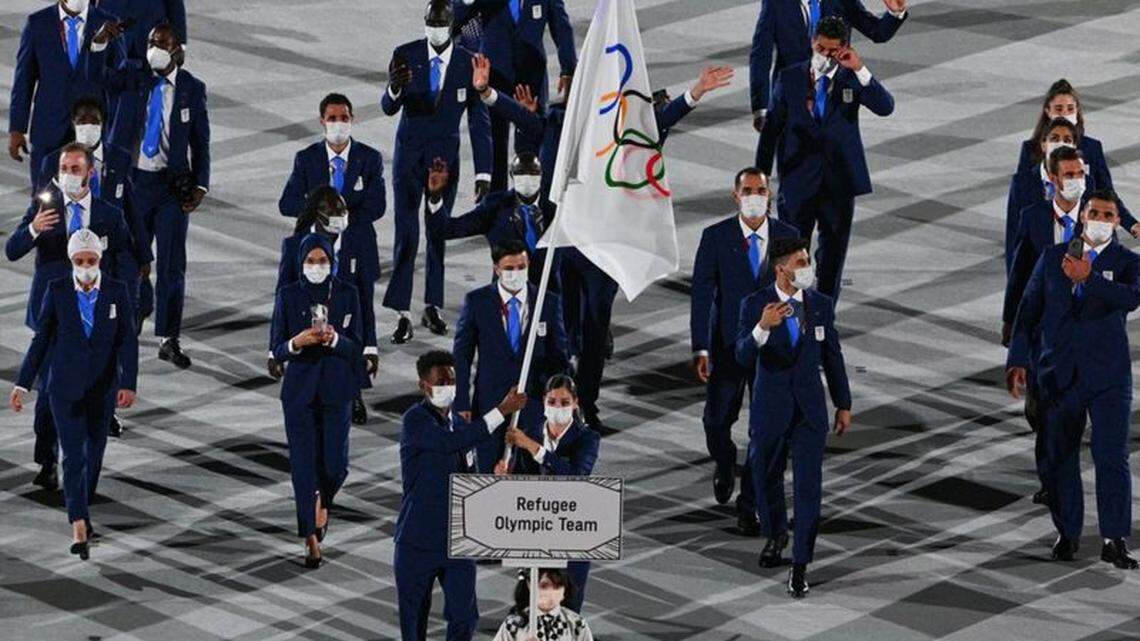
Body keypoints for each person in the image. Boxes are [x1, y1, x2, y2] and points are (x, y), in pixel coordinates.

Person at [474, 54, 734, 426]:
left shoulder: (623, 124)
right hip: (564, 242)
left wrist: (694, 93)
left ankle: (587, 404)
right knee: (565, 328)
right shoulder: (556, 121)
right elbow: (522, 118)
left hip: (605, 242)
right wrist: (486, 92)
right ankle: (559, 400)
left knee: (595, 326)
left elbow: (658, 121)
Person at [1007, 189, 1140, 570]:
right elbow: (1028, 310)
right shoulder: (1051, 259)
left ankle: (1114, 539)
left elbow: (1132, 299)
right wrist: (1017, 360)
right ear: (1082, 216)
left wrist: (1090, 278)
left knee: (1111, 457)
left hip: (1109, 377)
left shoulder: (1128, 262)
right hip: (1059, 375)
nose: (1099, 218)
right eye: (1094, 211)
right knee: (1061, 457)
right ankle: (1068, 534)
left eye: (1108, 214)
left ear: (1117, 222)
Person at [6, 143, 137, 487]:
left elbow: (123, 258)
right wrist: (33, 228)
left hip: (95, 314)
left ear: (90, 173)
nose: (68, 175)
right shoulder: (43, 206)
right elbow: (12, 249)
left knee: (94, 388)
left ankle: (83, 469)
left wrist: (124, 303)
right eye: (64, 168)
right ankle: (47, 459)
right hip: (55, 313)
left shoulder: (109, 214)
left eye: (76, 169)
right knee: (51, 391)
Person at [9, 229, 138, 561]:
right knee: (74, 457)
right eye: (79, 261)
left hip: (102, 389)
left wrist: (128, 383)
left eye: (91, 261)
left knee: (94, 454)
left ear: (99, 260)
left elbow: (127, 340)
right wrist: (23, 383)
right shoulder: (57, 291)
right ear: (70, 261)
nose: (85, 266)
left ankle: (84, 508)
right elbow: (41, 341)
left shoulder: (116, 291)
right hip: (63, 388)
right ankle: (78, 522)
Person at [735, 237, 852, 598]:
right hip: (771, 409)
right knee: (766, 474)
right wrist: (762, 328)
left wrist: (843, 402)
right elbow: (740, 356)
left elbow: (832, 354)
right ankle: (775, 535)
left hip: (809, 411)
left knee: (807, 486)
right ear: (781, 269)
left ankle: (801, 563)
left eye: (807, 261)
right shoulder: (755, 305)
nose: (807, 268)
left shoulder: (820, 305)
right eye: (800, 262)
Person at [690, 168, 800, 535]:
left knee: (765, 430)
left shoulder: (789, 236)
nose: (755, 196)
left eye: (761, 190)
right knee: (716, 421)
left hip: (773, 350)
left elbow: (800, 293)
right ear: (735, 196)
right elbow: (703, 295)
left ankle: (749, 503)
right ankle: (724, 462)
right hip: (728, 346)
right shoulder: (715, 237)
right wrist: (701, 346)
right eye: (747, 190)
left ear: (770, 195)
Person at [757, 16, 894, 301]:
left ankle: (822, 320)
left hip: (839, 186)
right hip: (797, 183)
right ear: (812, 42)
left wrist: (860, 68)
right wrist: (761, 180)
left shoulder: (852, 78)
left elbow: (885, 107)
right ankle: (789, 315)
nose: (825, 56)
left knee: (832, 261)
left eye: (832, 51)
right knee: (789, 255)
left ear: (843, 48)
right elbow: (770, 133)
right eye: (821, 48)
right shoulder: (789, 77)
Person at [394, 350, 527, 641]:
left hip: (458, 540)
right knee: (414, 622)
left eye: (452, 381)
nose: (448, 387)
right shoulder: (415, 421)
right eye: (441, 382)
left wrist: (492, 481)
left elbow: (468, 479)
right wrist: (501, 410)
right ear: (423, 386)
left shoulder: (465, 427)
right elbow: (446, 443)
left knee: (465, 618)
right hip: (418, 541)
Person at [381, 0, 493, 344]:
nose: (436, 26)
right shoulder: (405, 54)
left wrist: (484, 173)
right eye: (431, 20)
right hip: (408, 160)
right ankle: (401, 312)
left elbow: (478, 120)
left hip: (443, 164)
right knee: (407, 233)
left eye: (442, 21)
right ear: (425, 21)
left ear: (452, 23)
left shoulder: (467, 63)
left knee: (437, 232)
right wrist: (394, 88)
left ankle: (432, 304)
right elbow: (388, 107)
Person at [106, 23, 209, 369]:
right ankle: (129, 322)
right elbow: (102, 80)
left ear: (177, 49)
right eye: (151, 42)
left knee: (171, 266)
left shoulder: (192, 89)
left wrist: (200, 185)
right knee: (130, 260)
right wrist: (99, 45)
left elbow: (201, 143)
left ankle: (168, 337)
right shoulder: (135, 76)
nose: (154, 49)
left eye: (162, 43)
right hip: (134, 185)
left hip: (170, 188)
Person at [269, 233, 363, 568]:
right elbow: (277, 348)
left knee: (336, 466)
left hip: (337, 391)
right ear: (301, 262)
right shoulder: (288, 295)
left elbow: (358, 347)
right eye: (311, 261)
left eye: (322, 261)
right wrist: (298, 341)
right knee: (303, 467)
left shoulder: (348, 294)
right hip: (299, 395)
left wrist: (335, 339)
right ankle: (309, 537)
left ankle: (323, 498)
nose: (316, 266)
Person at [1003, 145, 1086, 505]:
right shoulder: (1033, 218)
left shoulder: (1096, 218)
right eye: (1068, 176)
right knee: (1040, 413)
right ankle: (1050, 476)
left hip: (1083, 337)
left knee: (1068, 417)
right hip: (1042, 334)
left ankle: (1059, 481)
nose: (1076, 182)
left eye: (1080, 175)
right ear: (1052, 180)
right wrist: (1012, 330)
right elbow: (1021, 279)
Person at [454, 240, 570, 472]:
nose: (515, 274)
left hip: (534, 406)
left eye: (521, 267)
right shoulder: (478, 302)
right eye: (509, 269)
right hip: (490, 404)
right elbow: (462, 355)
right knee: (488, 474)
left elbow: (559, 357)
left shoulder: (547, 302)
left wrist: (561, 400)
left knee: (530, 479)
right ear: (497, 269)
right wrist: (462, 401)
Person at [271, 186, 379, 425]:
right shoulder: (293, 245)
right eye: (334, 212)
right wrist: (274, 350)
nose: (341, 217)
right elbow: (281, 295)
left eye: (343, 210)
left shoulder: (357, 243)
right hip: (304, 314)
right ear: (318, 216)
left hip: (343, 309)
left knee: (346, 344)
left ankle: (353, 396)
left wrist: (370, 346)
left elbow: (365, 295)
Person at [278, 92, 386, 327]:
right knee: (315, 302)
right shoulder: (306, 159)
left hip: (358, 242)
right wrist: (320, 213)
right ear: (322, 121)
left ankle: (366, 350)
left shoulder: (369, 158)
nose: (339, 123)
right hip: (317, 247)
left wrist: (344, 219)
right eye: (332, 118)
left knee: (361, 303)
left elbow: (378, 205)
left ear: (352, 119)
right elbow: (286, 203)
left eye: (344, 118)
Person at [452, 0, 577, 191]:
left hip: (531, 76)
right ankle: (494, 208)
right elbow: (453, 22)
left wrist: (568, 68)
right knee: (495, 146)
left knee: (532, 145)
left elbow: (560, 24)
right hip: (493, 76)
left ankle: (533, 208)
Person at [501, 375, 599, 613]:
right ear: (544, 401)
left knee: (568, 608)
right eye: (552, 401)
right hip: (537, 530)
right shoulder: (529, 434)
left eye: (565, 402)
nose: (558, 407)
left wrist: (535, 448)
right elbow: (520, 479)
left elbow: (576, 477)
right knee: (531, 604)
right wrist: (505, 477)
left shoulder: (588, 438)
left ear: (575, 403)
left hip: (572, 532)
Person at [749, 0, 906, 138]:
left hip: (834, 93)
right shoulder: (776, 3)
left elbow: (877, 32)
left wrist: (895, 13)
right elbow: (761, 54)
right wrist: (761, 109)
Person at [1014, 79, 1137, 237]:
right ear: (1047, 111)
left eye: (1070, 109)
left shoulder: (1091, 148)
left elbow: (1106, 192)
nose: (1065, 115)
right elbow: (1021, 196)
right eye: (1059, 109)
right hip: (1044, 228)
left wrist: (1131, 224)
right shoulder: (1031, 149)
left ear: (1077, 111)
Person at [427, 152, 556, 287]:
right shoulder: (495, 206)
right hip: (506, 293)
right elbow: (447, 230)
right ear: (512, 175)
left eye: (533, 173)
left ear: (541, 176)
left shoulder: (556, 208)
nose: (527, 177)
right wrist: (435, 196)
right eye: (521, 172)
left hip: (550, 296)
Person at [1004, 118, 1087, 274]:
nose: (1061, 143)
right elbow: (1013, 234)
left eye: (1067, 139)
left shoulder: (1085, 182)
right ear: (1043, 144)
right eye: (1055, 138)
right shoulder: (1022, 183)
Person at [492, 568, 594, 641]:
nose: (551, 593)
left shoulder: (577, 623)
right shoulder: (513, 624)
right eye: (544, 586)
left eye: (557, 587)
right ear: (529, 585)